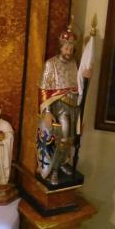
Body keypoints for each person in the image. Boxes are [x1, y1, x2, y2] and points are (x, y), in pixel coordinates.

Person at [37, 28, 81, 184]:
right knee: (62, 138)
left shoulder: (74, 63)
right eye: (66, 47)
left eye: (71, 48)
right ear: (61, 47)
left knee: (71, 139)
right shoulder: (51, 64)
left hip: (74, 106)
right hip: (59, 107)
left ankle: (62, 163)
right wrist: (47, 111)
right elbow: (43, 88)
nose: (69, 51)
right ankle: (54, 169)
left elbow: (79, 85)